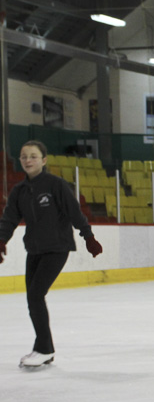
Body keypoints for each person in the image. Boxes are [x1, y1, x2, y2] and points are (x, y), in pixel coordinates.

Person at [0, 140, 103, 368]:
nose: (28, 160)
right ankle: (45, 348)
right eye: (24, 156)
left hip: (57, 248)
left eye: (33, 156)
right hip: (34, 250)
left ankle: (43, 349)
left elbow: (74, 212)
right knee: (33, 298)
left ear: (44, 160)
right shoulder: (19, 191)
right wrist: (1, 240)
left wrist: (88, 237)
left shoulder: (56, 185)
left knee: (35, 295)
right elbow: (9, 219)